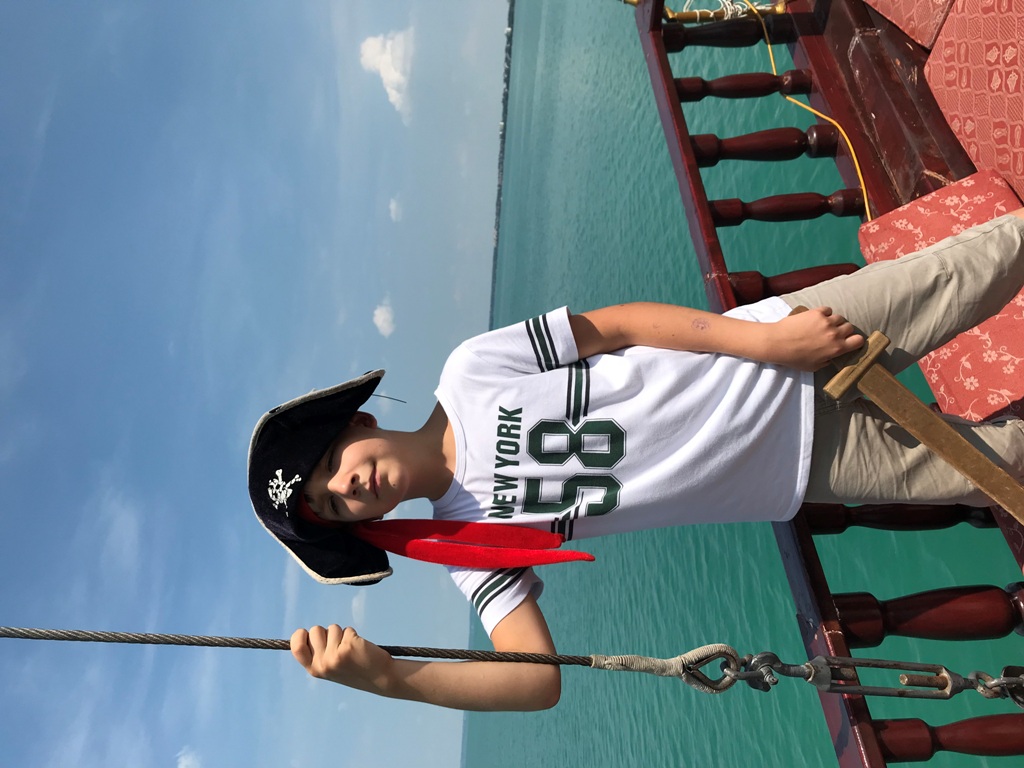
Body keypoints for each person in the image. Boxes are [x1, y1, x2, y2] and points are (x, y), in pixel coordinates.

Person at [248, 211, 1024, 711]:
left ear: (356, 421)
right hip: (800, 466)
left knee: (978, 268)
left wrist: (766, 341)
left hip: (789, 346)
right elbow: (535, 679)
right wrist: (388, 678)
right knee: (998, 472)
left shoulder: (470, 371)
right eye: (336, 506)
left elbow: (616, 327)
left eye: (332, 463)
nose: (348, 486)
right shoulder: (465, 543)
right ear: (366, 523)